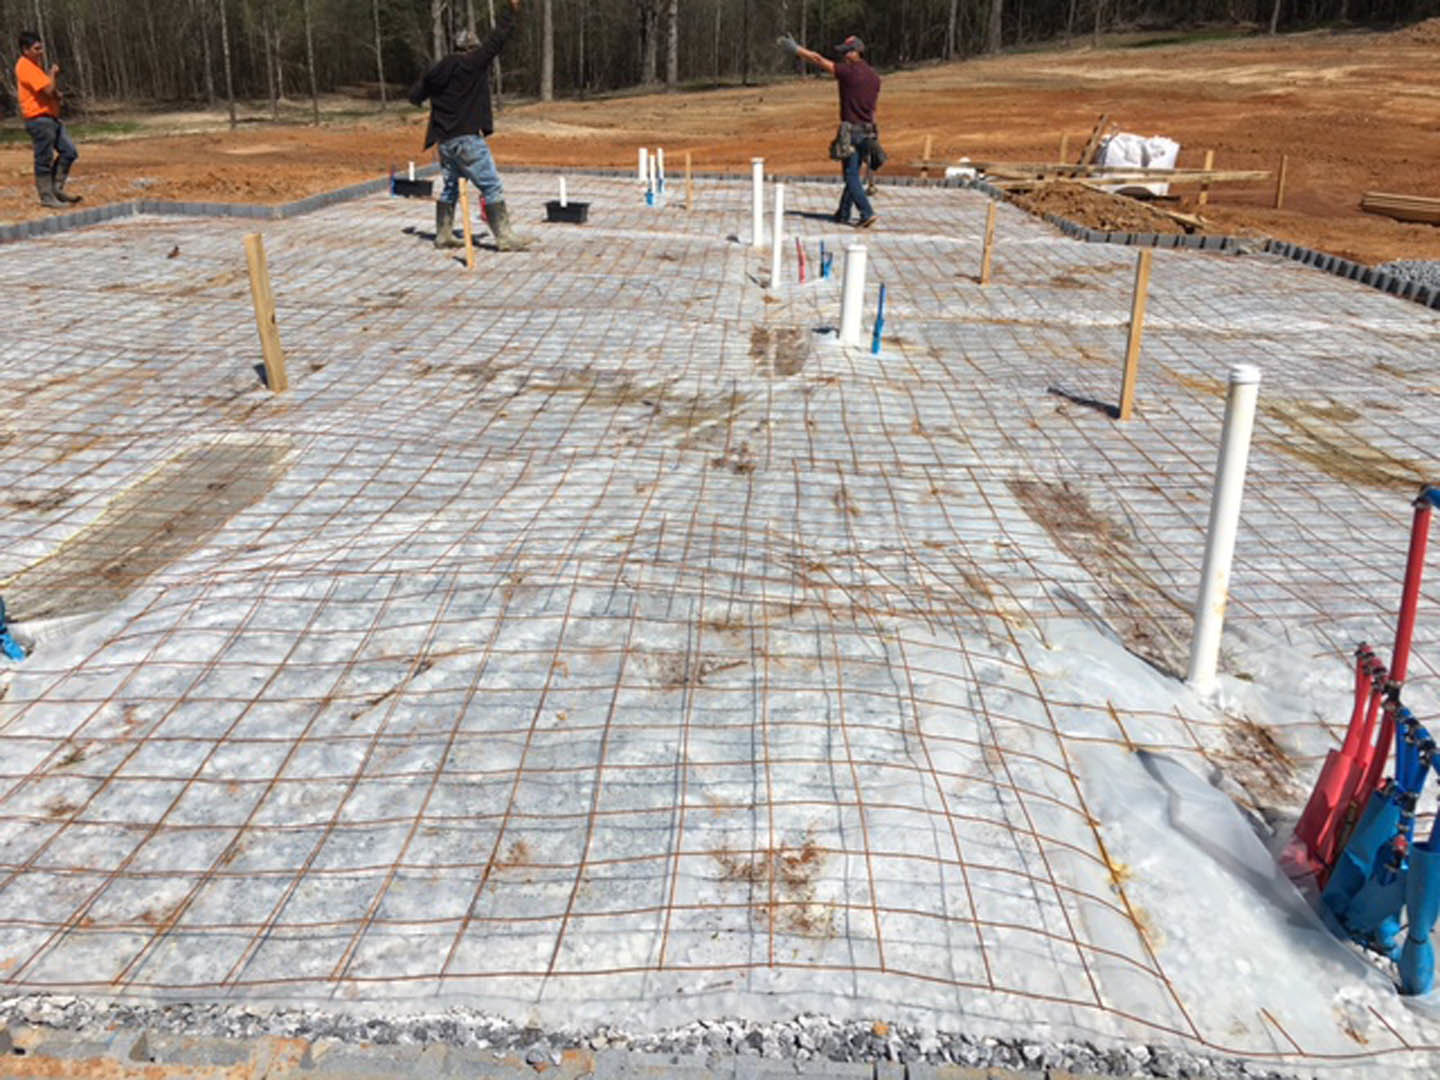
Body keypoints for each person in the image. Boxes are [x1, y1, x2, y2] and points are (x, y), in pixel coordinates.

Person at [409, 0, 528, 252]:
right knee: (491, 186)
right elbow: (497, 40)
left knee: (451, 187)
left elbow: (415, 96)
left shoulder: (437, 69)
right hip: (468, 140)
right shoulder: (472, 63)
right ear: (472, 47)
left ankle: (443, 234)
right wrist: (512, 11)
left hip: (445, 142)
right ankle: (504, 237)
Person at [778, 32, 881, 229]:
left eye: (847, 52)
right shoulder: (875, 77)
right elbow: (873, 108)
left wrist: (797, 50)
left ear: (856, 52)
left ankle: (866, 212)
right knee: (854, 174)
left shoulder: (848, 72)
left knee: (851, 176)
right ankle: (843, 213)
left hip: (852, 131)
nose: (844, 56)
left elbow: (818, 59)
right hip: (869, 131)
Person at [15, 31, 79, 209]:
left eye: (41, 47)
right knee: (44, 158)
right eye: (36, 48)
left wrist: (58, 95)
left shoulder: (35, 66)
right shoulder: (25, 66)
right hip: (38, 119)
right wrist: (52, 74)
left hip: (51, 118)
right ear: (25, 50)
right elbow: (48, 90)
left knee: (69, 152)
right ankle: (47, 196)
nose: (40, 51)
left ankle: (56, 189)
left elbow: (49, 92)